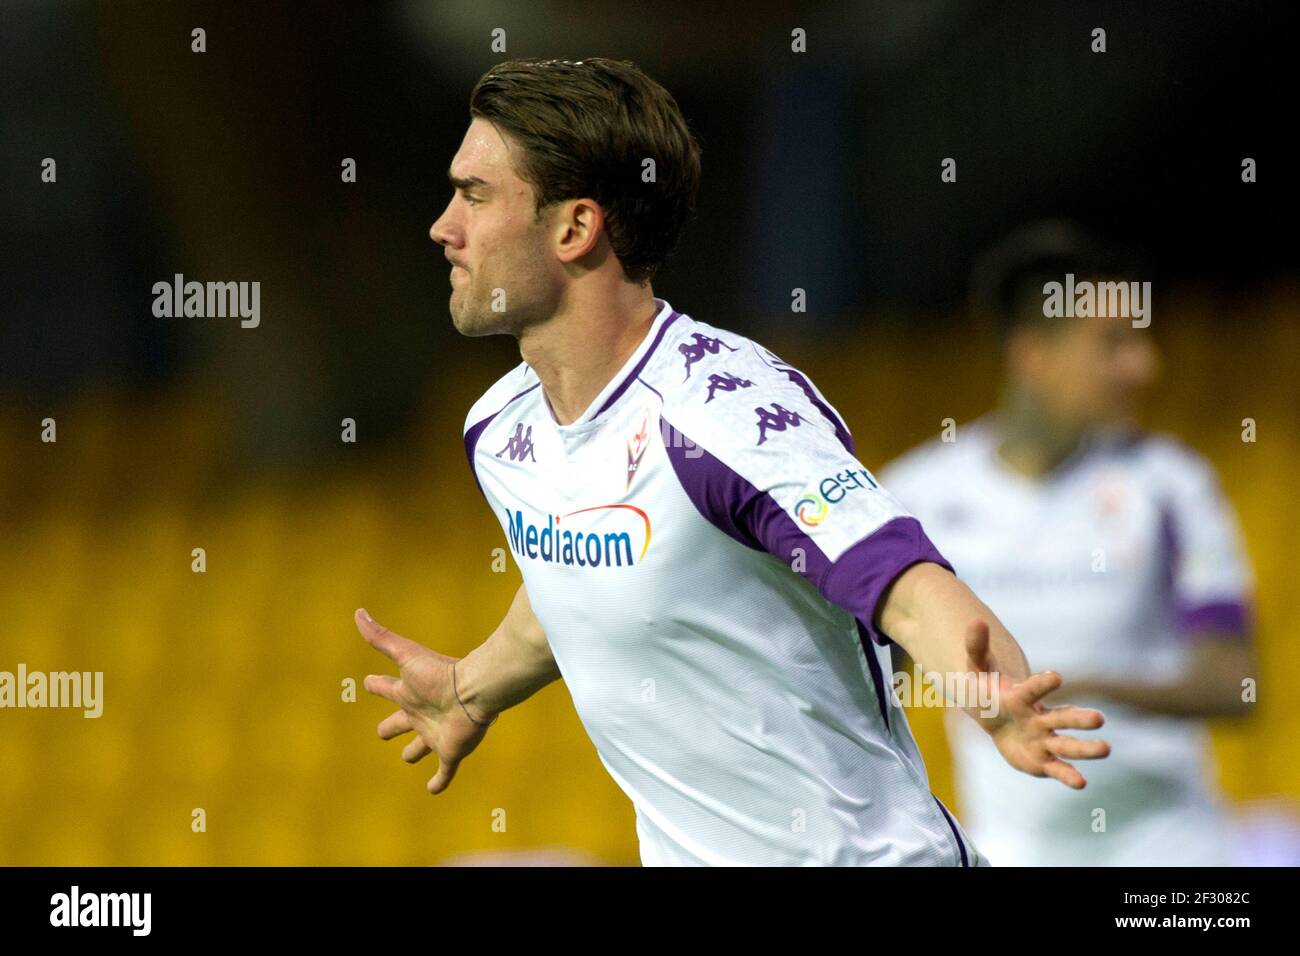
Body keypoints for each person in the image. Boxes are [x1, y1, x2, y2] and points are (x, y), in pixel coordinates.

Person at [356, 59, 1109, 866]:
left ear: (574, 229)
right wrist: (472, 690)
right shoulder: (498, 429)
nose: (443, 225)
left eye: (474, 195)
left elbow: (899, 579)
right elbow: (587, 572)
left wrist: (987, 686)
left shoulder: (722, 415)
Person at [879, 221, 1257, 865]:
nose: (1145, 365)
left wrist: (1087, 688)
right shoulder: (914, 494)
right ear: (1034, 354)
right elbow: (874, 682)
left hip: (1173, 848)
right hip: (1014, 852)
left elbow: (1236, 684)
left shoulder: (1173, 483)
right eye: (1114, 343)